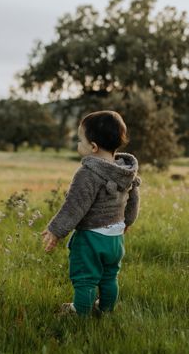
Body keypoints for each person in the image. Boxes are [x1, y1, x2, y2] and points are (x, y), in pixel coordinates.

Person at [41, 110, 141, 317]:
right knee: (109, 276)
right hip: (116, 237)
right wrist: (128, 221)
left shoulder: (87, 173)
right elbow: (133, 199)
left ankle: (81, 313)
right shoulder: (124, 171)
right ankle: (105, 309)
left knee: (85, 278)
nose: (78, 144)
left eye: (80, 140)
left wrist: (56, 231)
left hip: (91, 238)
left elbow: (75, 206)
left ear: (93, 147)